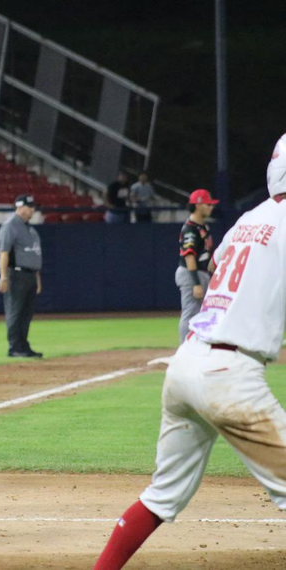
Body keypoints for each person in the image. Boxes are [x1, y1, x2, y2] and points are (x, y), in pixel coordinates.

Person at [93, 133, 286, 570]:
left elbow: (218, 263)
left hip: (187, 363)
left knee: (160, 497)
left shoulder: (249, 217)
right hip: (229, 375)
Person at [0, 194, 43, 358]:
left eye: (33, 207)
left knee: (26, 313)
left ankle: (23, 346)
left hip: (30, 275)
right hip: (16, 274)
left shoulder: (29, 228)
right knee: (15, 312)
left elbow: (34, 256)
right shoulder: (10, 226)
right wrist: (3, 276)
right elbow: (4, 253)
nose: (33, 210)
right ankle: (15, 347)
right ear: (20, 207)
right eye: (30, 206)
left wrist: (37, 278)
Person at [175, 188, 218, 343]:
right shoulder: (190, 229)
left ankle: (197, 346)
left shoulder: (202, 226)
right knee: (190, 313)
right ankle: (184, 349)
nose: (211, 207)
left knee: (202, 313)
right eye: (208, 204)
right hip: (190, 274)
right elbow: (189, 257)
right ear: (198, 205)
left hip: (201, 273)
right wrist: (196, 283)